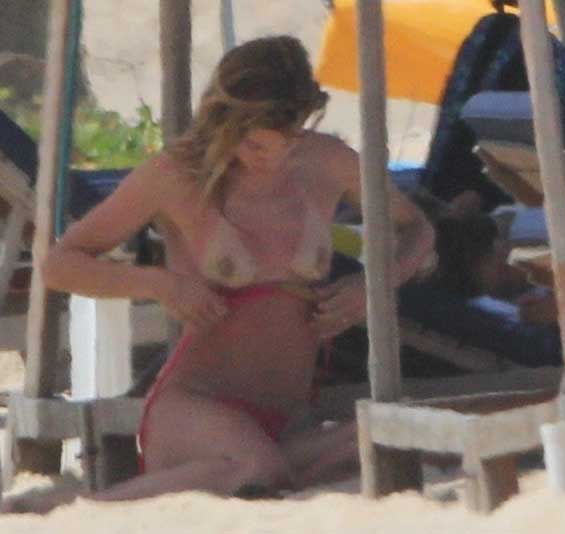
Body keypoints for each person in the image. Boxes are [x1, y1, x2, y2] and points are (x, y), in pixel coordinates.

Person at [43, 35, 435, 500]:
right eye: (254, 145)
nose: (272, 158)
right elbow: (59, 264)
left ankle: (118, 495)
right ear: (225, 122)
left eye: (288, 141)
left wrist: (373, 285)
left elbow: (417, 229)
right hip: (196, 408)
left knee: (401, 448)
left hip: (287, 415)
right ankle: (85, 510)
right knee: (257, 468)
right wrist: (159, 284)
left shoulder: (327, 160)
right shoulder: (175, 175)